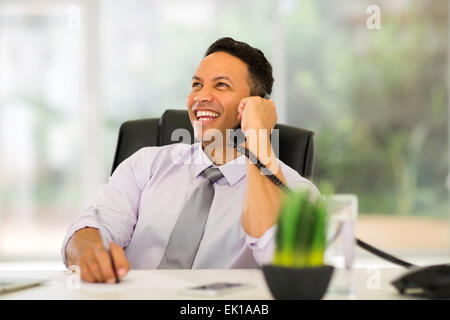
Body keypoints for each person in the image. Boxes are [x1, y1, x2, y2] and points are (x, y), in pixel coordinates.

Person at [62, 37, 319, 283]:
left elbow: (285, 266)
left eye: (221, 85)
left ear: (255, 105)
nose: (201, 97)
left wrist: (259, 135)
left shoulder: (297, 194)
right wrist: (90, 251)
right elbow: (93, 226)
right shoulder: (146, 165)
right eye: (197, 84)